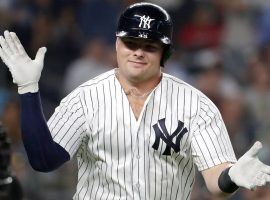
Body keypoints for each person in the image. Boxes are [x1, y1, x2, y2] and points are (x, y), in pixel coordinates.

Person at [0, 2, 269, 200]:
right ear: (116, 45)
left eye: (150, 46)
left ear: (165, 53)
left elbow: (215, 180)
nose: (138, 52)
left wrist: (231, 177)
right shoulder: (86, 97)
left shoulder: (195, 105)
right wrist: (28, 88)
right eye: (131, 43)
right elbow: (43, 160)